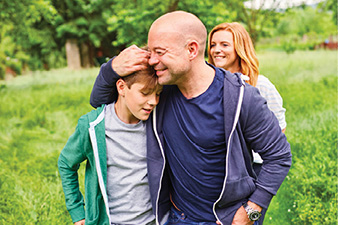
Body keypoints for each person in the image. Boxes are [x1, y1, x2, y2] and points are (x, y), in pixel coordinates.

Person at [90, 11, 292, 225]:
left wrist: (251, 211)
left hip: (230, 219)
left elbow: (279, 156)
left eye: (159, 52)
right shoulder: (159, 94)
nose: (151, 60)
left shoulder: (242, 97)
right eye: (150, 52)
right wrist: (111, 69)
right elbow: (100, 103)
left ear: (192, 50)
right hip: (179, 217)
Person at [58, 63, 162, 225]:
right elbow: (66, 163)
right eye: (145, 93)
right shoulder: (92, 126)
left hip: (152, 221)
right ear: (121, 87)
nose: (153, 101)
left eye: (158, 94)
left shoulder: (157, 124)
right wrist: (77, 211)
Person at [207, 22, 287, 175]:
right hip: (219, 167)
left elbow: (279, 129)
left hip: (253, 168)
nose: (216, 50)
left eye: (224, 45)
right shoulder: (209, 85)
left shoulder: (260, 85)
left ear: (239, 48)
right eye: (213, 45)